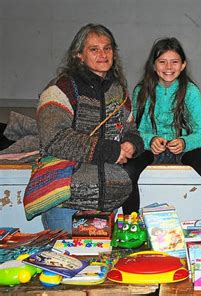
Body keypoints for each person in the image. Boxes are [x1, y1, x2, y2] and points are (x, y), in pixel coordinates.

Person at [37, 24, 147, 233]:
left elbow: (132, 129)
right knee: (66, 264)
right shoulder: (61, 89)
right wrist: (112, 151)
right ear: (79, 55)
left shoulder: (118, 91)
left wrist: (132, 144)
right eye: (94, 49)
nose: (103, 54)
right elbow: (55, 138)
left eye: (107, 48)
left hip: (108, 204)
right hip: (67, 204)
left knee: (101, 266)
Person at [132, 37, 201, 209]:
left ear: (183, 65)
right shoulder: (141, 91)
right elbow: (137, 131)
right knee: (127, 171)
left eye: (174, 62)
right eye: (162, 62)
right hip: (149, 149)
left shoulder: (191, 91)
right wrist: (150, 140)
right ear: (153, 65)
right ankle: (131, 224)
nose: (168, 67)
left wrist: (184, 142)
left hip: (184, 150)